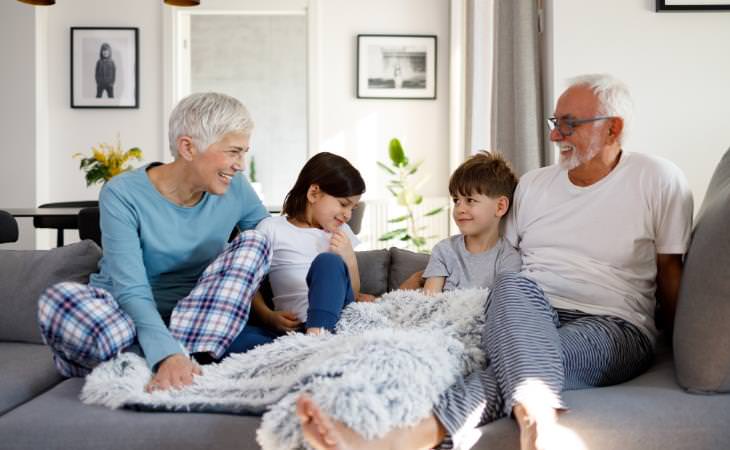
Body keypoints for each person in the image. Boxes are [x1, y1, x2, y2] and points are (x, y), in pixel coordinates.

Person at [296, 73, 693, 450]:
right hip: (525, 313)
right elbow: (491, 253)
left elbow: (671, 269)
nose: (556, 135)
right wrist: (417, 282)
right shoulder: (536, 185)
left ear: (613, 127)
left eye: (570, 125)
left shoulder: (657, 178)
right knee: (513, 284)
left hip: (612, 323)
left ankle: (410, 437)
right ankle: (537, 424)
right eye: (556, 123)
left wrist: (674, 345)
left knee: (524, 363)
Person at [38, 92, 271, 393]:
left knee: (256, 242)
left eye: (243, 152)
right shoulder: (122, 193)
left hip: (198, 321)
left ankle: (138, 360)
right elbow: (131, 288)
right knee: (59, 300)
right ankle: (168, 356)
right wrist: (167, 353)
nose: (240, 164)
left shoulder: (236, 187)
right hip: (123, 316)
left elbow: (276, 239)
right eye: (234, 152)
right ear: (188, 147)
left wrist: (339, 244)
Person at [228, 152, 370, 353]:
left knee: (327, 262)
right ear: (313, 193)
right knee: (227, 339)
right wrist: (268, 317)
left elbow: (353, 294)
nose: (348, 215)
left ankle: (316, 342)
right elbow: (250, 285)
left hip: (334, 324)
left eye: (353, 208)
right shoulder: (271, 228)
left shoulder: (342, 233)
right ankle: (304, 349)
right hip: (292, 331)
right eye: (344, 204)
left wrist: (348, 257)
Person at [423, 151, 521, 295]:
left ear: (500, 207)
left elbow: (504, 307)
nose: (460, 209)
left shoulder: (508, 258)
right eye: (456, 200)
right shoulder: (444, 251)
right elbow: (427, 303)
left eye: (470, 200)